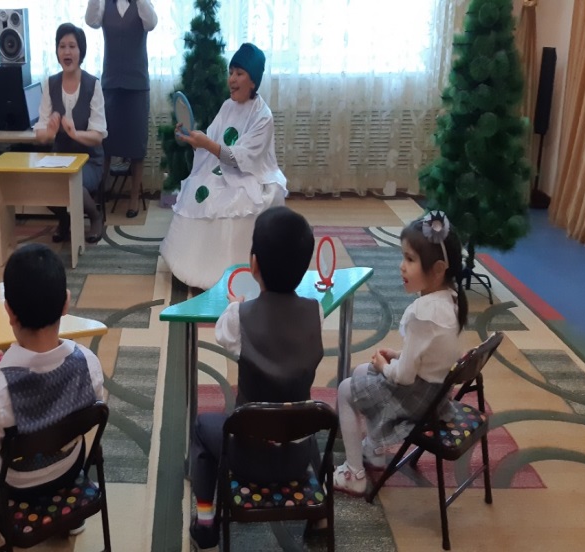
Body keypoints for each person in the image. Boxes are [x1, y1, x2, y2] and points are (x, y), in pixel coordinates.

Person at [188, 207, 323, 551]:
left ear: (253, 264)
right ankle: (319, 517)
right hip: (297, 456)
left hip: (246, 456)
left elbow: (224, 334)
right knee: (310, 417)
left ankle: (206, 522)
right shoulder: (316, 312)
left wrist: (236, 305)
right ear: (304, 266)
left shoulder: (239, 317)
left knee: (202, 427)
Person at [333, 211, 468, 496]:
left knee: (345, 390)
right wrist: (397, 354)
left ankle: (354, 473)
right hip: (435, 394)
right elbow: (429, 354)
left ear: (438, 269)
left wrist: (385, 366)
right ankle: (375, 450)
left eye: (410, 259)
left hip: (416, 397)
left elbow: (404, 377)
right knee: (362, 371)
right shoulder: (451, 299)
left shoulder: (423, 313)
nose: (401, 266)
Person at [0, 244, 105, 515]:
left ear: (9, 312)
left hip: (18, 485)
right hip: (70, 469)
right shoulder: (89, 363)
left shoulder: (0, 388)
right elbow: (92, 410)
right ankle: (71, 517)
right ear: (66, 303)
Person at [160, 43, 287, 290]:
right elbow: (212, 140)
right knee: (199, 188)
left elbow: (243, 158)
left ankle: (223, 270)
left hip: (253, 176)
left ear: (253, 81)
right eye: (231, 73)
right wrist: (191, 138)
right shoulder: (228, 106)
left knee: (232, 198)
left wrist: (206, 143)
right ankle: (191, 264)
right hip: (221, 168)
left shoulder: (263, 116)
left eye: (239, 73)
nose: (232, 79)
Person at [35, 23, 107, 244]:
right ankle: (64, 219)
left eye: (72, 46)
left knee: (72, 182)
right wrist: (49, 132)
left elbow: (98, 135)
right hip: (59, 159)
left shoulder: (93, 85)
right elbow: (41, 135)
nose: (67, 52)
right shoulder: (50, 84)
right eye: (62, 46)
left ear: (80, 51)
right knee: (39, 185)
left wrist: (75, 134)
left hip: (89, 160)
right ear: (57, 51)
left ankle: (95, 217)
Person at [85, 0, 158, 218]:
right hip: (111, 82)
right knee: (106, 141)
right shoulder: (104, 4)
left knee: (137, 144)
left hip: (137, 84)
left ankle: (134, 197)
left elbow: (151, 23)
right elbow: (91, 21)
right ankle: (100, 192)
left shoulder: (142, 5)